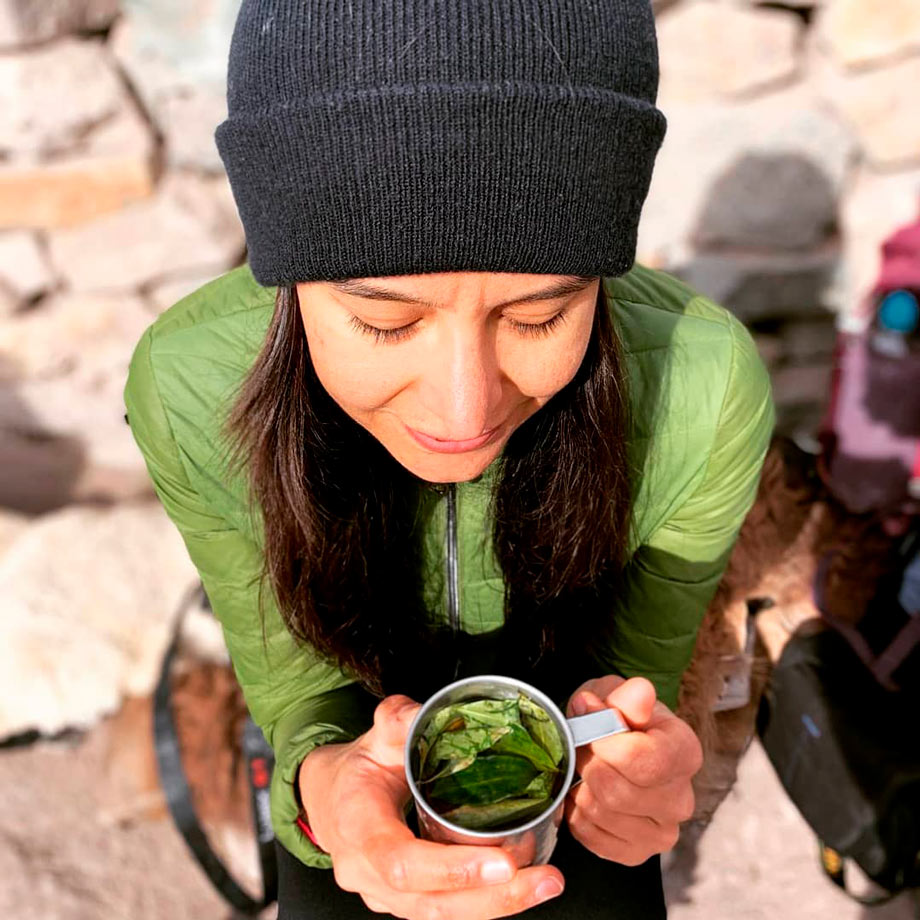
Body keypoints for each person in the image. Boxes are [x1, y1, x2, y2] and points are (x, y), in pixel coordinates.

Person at [123, 1, 775, 917]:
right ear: (288, 276)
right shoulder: (189, 386)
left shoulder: (703, 389)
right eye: (384, 321)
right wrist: (323, 786)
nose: (464, 410)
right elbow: (295, 683)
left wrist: (640, 757)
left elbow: (643, 667)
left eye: (542, 315)